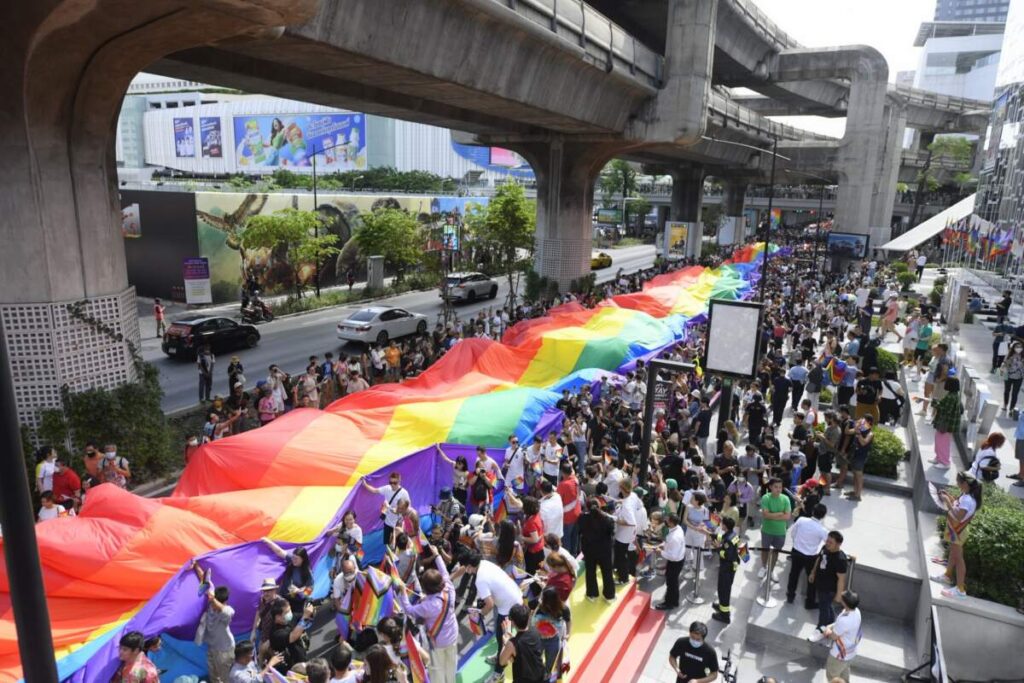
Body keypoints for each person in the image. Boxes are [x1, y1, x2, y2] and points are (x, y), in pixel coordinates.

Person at [394, 544, 458, 683]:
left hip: (438, 640)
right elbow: (444, 572)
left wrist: (404, 593)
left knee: (437, 667)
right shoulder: (449, 588)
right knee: (451, 663)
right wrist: (437, 555)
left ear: (426, 588)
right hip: (452, 634)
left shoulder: (428, 606)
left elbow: (409, 609)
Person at [455, 552, 522, 682]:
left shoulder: (480, 579)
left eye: (464, 567)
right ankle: (499, 657)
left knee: (502, 640)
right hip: (513, 596)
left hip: (508, 607)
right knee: (500, 637)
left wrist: (479, 615)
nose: (465, 570)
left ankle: (498, 673)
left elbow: (490, 604)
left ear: (469, 566)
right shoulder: (484, 563)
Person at [932, 471, 983, 598]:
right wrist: (948, 497)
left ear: (965, 483)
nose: (956, 484)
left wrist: (946, 501)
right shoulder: (966, 495)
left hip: (958, 531)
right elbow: (957, 506)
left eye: (958, 482)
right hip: (957, 531)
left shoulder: (968, 500)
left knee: (959, 559)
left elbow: (958, 516)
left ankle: (960, 589)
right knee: (954, 555)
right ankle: (948, 576)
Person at [192, 563, 236, 683]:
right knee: (213, 677)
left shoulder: (228, 611)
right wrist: (195, 564)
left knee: (226, 678)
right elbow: (205, 579)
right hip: (212, 648)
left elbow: (223, 609)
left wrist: (212, 599)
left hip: (225, 651)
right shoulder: (212, 599)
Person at [808, 531, 849, 641]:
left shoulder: (840, 559)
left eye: (831, 542)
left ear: (838, 544)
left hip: (829, 588)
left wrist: (839, 595)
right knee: (826, 606)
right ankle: (832, 624)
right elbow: (819, 559)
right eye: (827, 540)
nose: (827, 543)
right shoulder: (825, 548)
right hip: (820, 583)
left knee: (823, 609)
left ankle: (820, 629)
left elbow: (841, 579)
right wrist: (813, 572)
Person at [787, 503, 828, 607]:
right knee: (812, 578)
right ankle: (810, 601)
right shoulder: (822, 530)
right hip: (811, 556)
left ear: (813, 512)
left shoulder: (801, 520)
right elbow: (827, 543)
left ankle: (790, 596)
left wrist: (797, 543)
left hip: (796, 551)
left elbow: (793, 533)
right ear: (823, 516)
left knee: (794, 575)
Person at [578, 496, 616, 601]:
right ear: (599, 506)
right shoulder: (608, 519)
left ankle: (592, 594)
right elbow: (611, 533)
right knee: (607, 572)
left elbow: (580, 532)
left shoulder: (582, 518)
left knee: (590, 571)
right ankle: (609, 595)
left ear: (587, 507)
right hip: (604, 550)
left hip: (589, 549)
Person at [497, 603, 546, 683]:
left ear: (512, 622)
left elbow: (502, 661)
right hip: (540, 675)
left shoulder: (512, 644)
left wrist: (505, 640)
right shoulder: (535, 631)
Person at [361, 471, 410, 547]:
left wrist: (391, 509)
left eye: (395, 483)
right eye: (391, 482)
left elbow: (408, 508)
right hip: (387, 523)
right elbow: (374, 490)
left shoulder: (404, 493)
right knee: (387, 544)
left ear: (399, 481)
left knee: (398, 545)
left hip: (398, 524)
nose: (392, 485)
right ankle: (389, 556)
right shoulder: (387, 488)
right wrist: (364, 484)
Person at [823, 590, 863, 683]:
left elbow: (833, 636)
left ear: (845, 603)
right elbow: (840, 624)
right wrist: (832, 626)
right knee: (844, 674)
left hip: (839, 655)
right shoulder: (857, 612)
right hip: (850, 652)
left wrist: (827, 630)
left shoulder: (845, 621)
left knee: (832, 676)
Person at [268, 599, 315, 673]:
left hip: (302, 660)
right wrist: (305, 617)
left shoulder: (289, 619)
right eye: (287, 612)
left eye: (290, 610)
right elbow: (292, 637)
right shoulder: (276, 633)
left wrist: (310, 609)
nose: (290, 613)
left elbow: (306, 617)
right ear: (278, 617)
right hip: (292, 669)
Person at [758, 478, 791, 581]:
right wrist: (780, 513)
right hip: (767, 530)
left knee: (776, 552)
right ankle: (764, 566)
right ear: (770, 487)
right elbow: (765, 515)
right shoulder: (766, 498)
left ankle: (771, 570)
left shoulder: (785, 499)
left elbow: (787, 517)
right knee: (765, 550)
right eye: (776, 487)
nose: (778, 489)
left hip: (780, 532)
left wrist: (771, 515)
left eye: (780, 487)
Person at [711, 516, 741, 624]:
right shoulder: (733, 534)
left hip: (727, 568)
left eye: (722, 524)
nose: (720, 525)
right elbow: (722, 538)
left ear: (725, 526)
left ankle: (724, 615)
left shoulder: (728, 539)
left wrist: (717, 548)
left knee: (724, 590)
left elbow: (727, 555)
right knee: (723, 589)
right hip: (731, 566)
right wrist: (710, 534)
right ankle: (721, 606)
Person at [930, 375, 962, 469]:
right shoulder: (953, 394)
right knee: (939, 440)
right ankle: (939, 458)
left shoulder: (951, 396)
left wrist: (935, 402)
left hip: (946, 424)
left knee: (942, 442)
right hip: (947, 423)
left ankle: (945, 462)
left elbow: (945, 409)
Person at [655, 513, 685, 610]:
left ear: (671, 523)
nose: (665, 522)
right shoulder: (678, 528)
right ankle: (675, 601)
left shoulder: (674, 537)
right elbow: (668, 542)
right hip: (678, 559)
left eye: (667, 520)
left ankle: (668, 603)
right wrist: (663, 544)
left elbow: (673, 556)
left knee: (671, 583)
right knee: (674, 582)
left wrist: (661, 552)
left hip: (675, 562)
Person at [845, 415, 873, 502]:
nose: (861, 422)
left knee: (859, 476)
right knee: (855, 474)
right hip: (854, 454)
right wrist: (848, 423)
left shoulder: (870, 434)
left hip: (861, 456)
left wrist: (858, 433)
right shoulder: (859, 429)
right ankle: (854, 491)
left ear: (868, 422)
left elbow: (863, 443)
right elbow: (847, 432)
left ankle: (858, 495)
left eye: (863, 421)